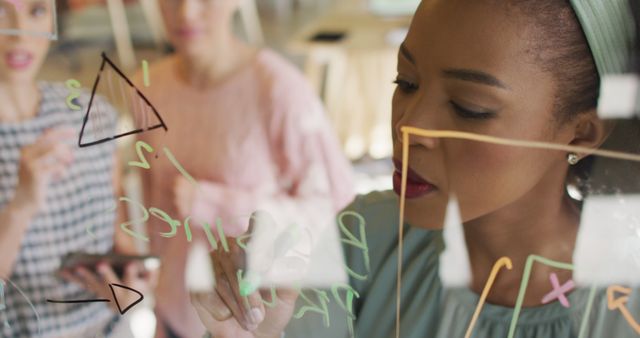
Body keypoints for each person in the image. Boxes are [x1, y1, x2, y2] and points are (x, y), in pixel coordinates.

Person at [192, 0, 640, 337]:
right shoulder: (365, 240)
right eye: (406, 83)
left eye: (469, 108)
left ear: (579, 134)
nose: (409, 126)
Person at [131, 0, 355, 337]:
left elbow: (338, 210)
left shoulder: (279, 88)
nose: (186, 12)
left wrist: (218, 204)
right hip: (174, 313)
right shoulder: (147, 88)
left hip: (249, 323)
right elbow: (152, 210)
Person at [0, 0, 149, 337]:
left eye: (35, 10)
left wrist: (127, 280)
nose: (19, 33)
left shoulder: (89, 112)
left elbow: (117, 231)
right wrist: (21, 206)